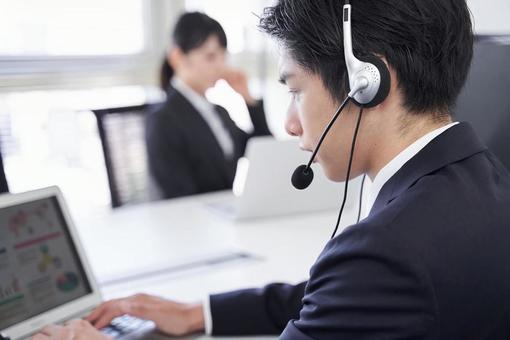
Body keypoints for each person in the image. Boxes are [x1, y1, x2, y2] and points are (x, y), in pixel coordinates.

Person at [33, 0, 510, 339]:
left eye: (296, 89)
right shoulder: (484, 178)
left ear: (368, 82)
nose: (290, 119)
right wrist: (199, 312)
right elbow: (339, 296)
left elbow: (363, 282)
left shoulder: (389, 253)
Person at [146, 12, 272, 199]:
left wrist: (248, 100)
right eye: (211, 56)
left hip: (224, 215)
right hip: (194, 222)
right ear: (178, 57)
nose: (221, 66)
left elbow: (264, 152)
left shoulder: (217, 112)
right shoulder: (163, 120)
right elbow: (178, 196)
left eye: (223, 56)